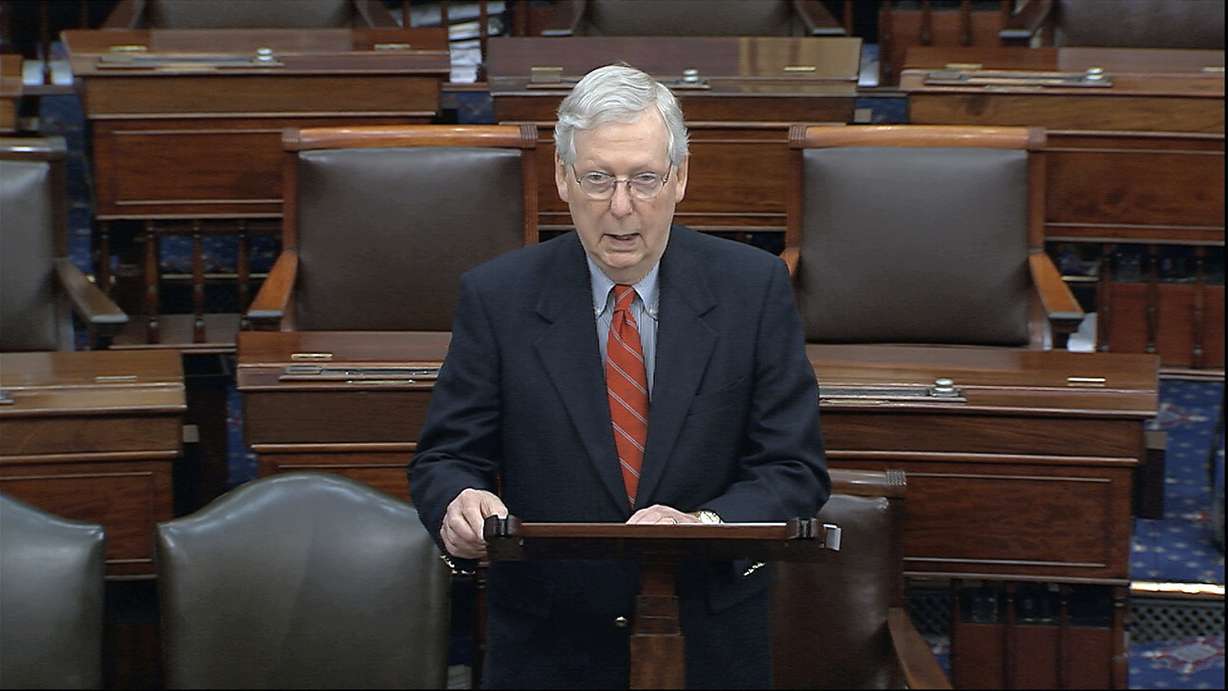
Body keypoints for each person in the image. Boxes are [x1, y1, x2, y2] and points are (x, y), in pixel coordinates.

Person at [409, 64, 828, 689]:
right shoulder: (498, 297)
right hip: (549, 646)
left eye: (645, 178)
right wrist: (458, 504)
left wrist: (705, 526)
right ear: (562, 178)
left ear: (680, 178)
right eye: (598, 178)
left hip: (707, 639)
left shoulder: (753, 288)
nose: (621, 206)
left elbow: (794, 470)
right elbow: (445, 459)